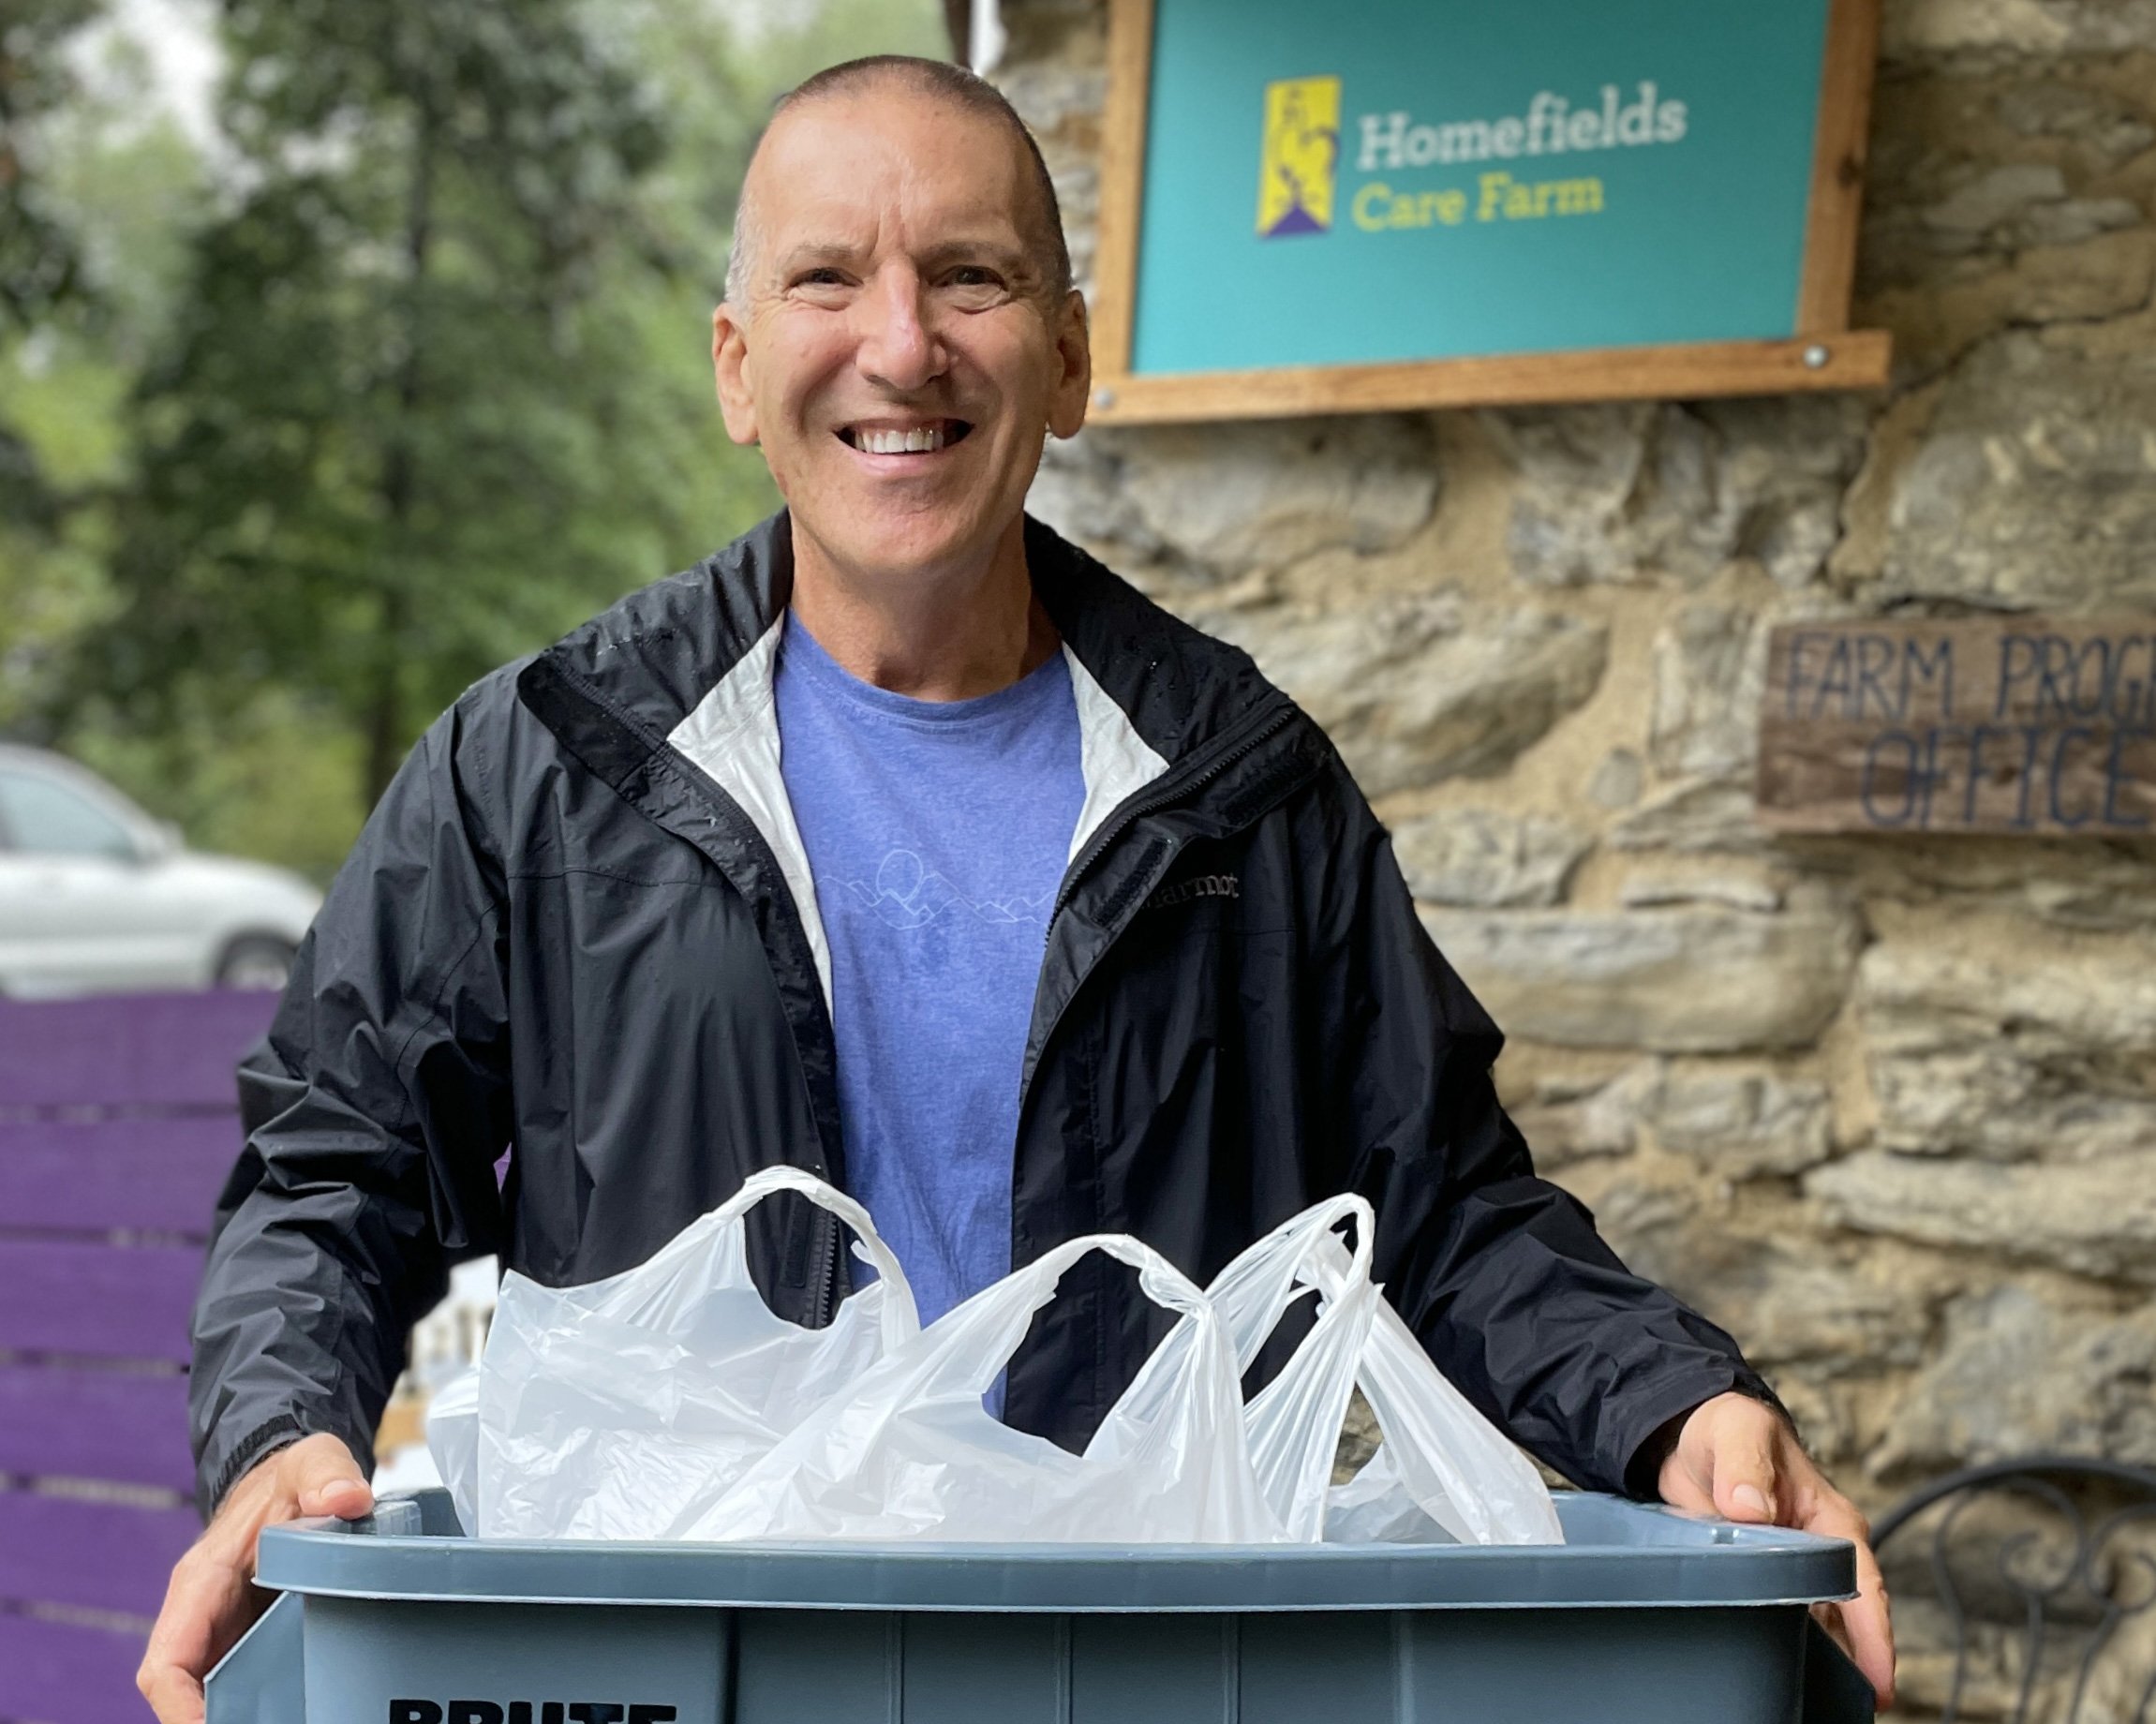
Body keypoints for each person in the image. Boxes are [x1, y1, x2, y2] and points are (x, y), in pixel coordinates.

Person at [139, 54, 1895, 1722]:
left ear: (1065, 359)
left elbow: (1436, 1208)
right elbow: (333, 1165)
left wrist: (1677, 1402)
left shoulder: (1237, 785)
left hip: (1128, 1665)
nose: (900, 349)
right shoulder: (546, 763)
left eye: (968, 278)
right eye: (829, 279)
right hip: (688, 1651)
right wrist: (285, 1428)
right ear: (739, 366)